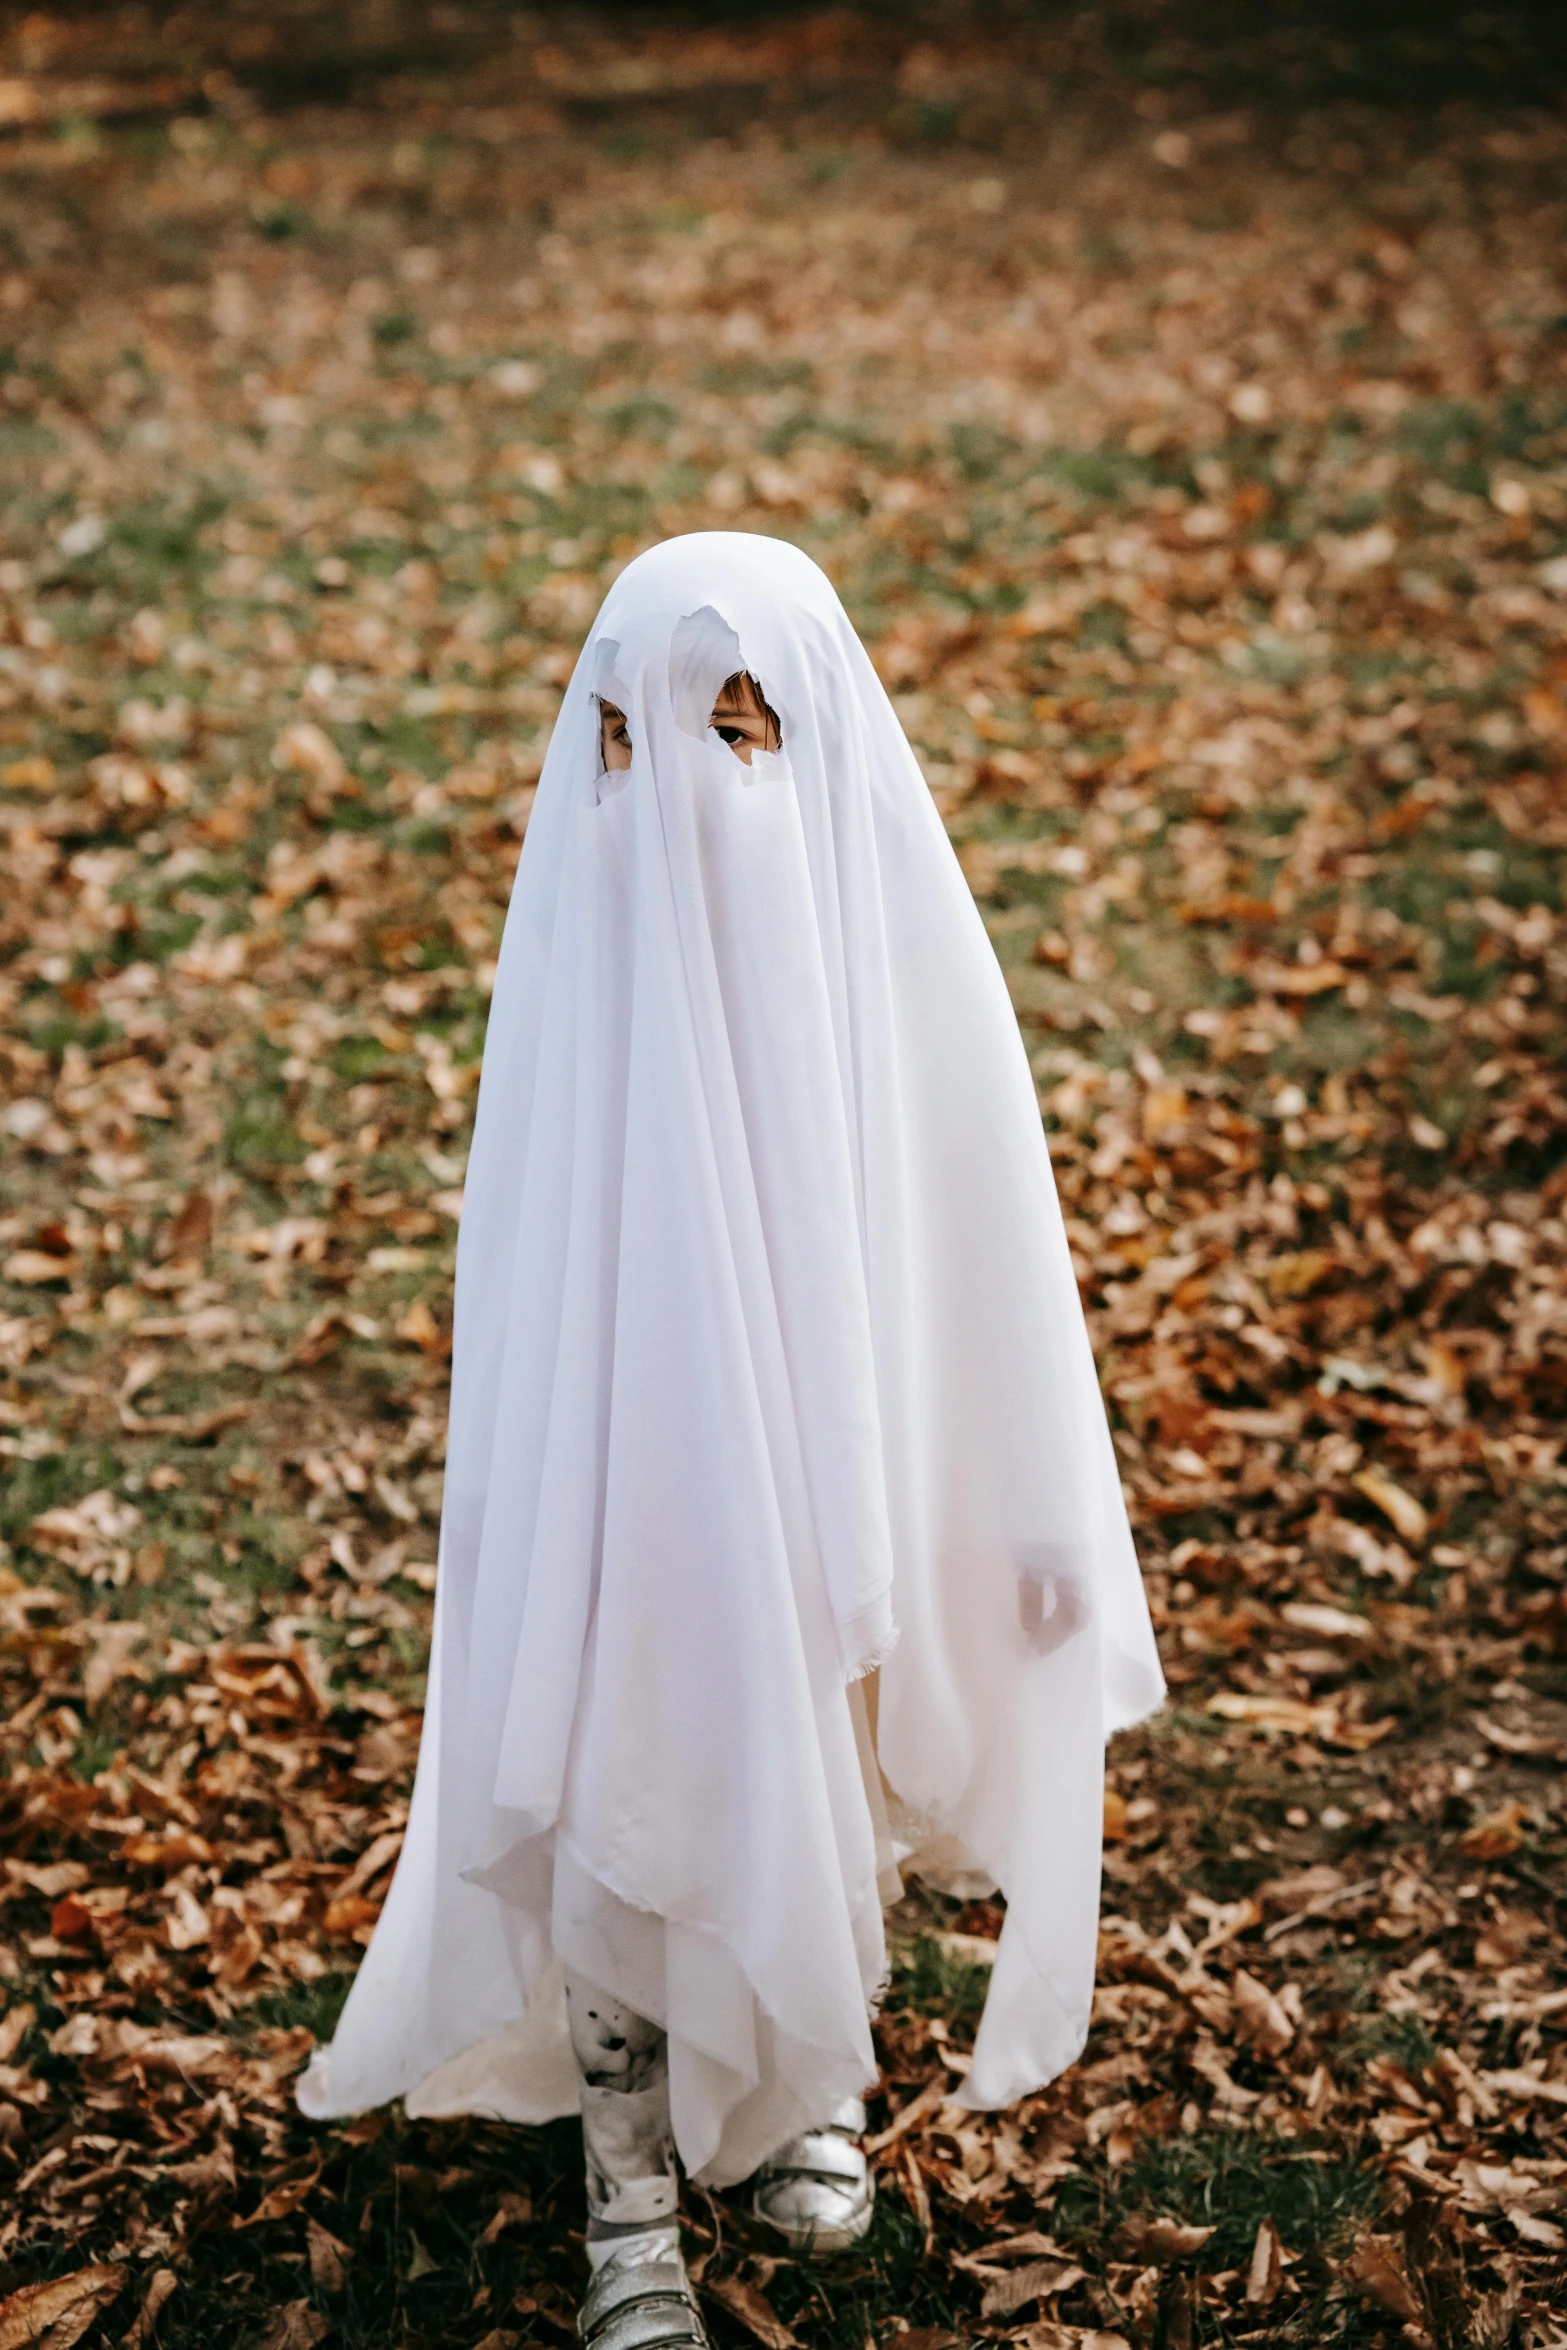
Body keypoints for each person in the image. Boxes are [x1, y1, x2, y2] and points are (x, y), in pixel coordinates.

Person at [297, 533, 1165, 2350]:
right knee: (631, 1734)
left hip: (826, 1423)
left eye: (739, 742)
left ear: (820, 752)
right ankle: (626, 2195)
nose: (680, 803)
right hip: (635, 1459)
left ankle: (800, 2086)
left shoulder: (893, 966)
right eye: (628, 750)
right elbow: (530, 1290)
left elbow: (977, 1258)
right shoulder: (579, 993)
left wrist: (1009, 1511)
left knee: (821, 1733)